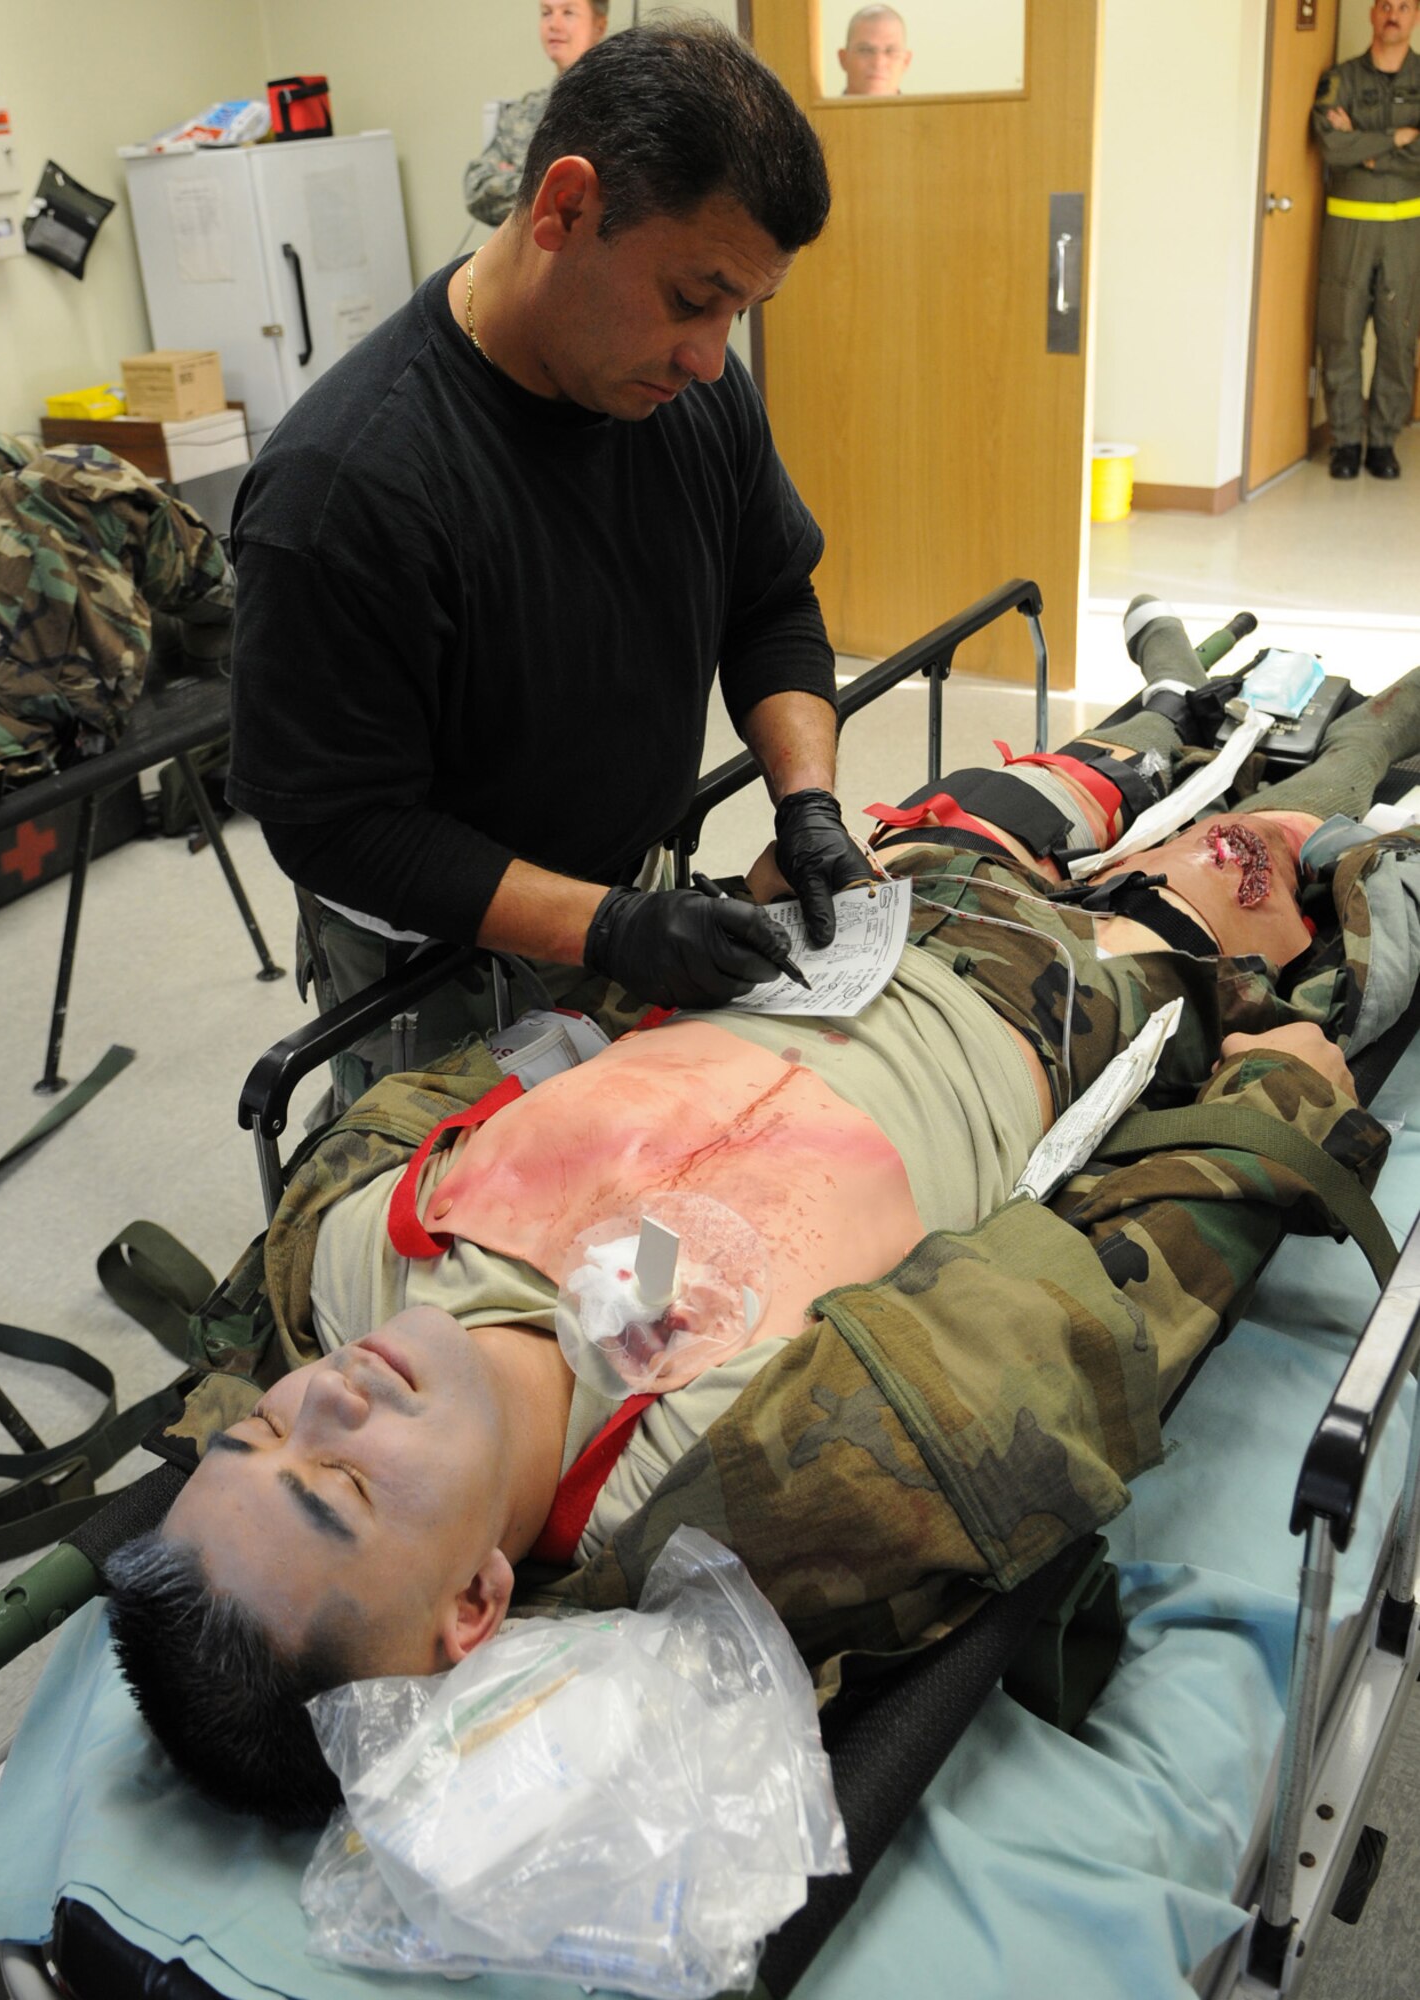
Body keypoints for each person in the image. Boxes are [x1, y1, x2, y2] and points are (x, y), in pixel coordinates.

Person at [107, 615, 1420, 1827]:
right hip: (1080, 985)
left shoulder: (343, 1241)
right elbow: (1101, 1289)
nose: (323, 1403)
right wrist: (1274, 1093)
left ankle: (1182, 699)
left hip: (877, 894)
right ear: (471, 1605)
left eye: (267, 1429)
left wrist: (707, 926)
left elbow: (542, 1049)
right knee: (1327, 804)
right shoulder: (745, 1479)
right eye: (336, 1486)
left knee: (1149, 729)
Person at [226, 21, 863, 1113]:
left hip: (630, 891)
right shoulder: (348, 487)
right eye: (690, 297)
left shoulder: (691, 393)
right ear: (564, 208)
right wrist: (603, 927)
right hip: (436, 962)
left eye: (744, 312)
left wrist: (807, 806)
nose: (713, 357)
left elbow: (770, 599)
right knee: (449, 1232)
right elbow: (339, 825)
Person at [1313, 0, 1420, 481]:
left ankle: (1382, 442)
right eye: (1385, 5)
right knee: (1340, 333)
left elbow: (1354, 147)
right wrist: (1396, 139)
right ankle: (1346, 441)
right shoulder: (1339, 80)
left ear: (1415, 15)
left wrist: (1366, 146)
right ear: (1373, 14)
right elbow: (1332, 146)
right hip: (1348, 227)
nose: (1393, 14)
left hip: (1405, 230)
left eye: (1405, 5)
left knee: (1397, 336)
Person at [462, 0, 609, 228]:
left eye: (568, 12)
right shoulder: (523, 113)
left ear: (599, 26)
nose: (554, 24)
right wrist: (559, 192)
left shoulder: (620, 104)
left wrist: (522, 182)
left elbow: (613, 197)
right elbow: (478, 187)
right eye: (546, 13)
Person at [838, 5, 912, 97]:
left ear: (906, 61)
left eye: (890, 51)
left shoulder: (928, 111)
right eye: (865, 50)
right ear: (843, 59)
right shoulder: (819, 111)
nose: (878, 62)